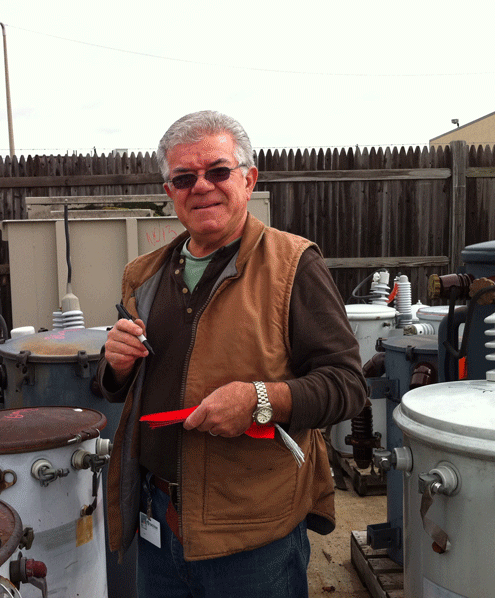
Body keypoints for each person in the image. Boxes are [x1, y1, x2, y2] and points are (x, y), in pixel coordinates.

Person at [97, 110, 368, 598]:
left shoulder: (293, 265)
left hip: (252, 537)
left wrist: (260, 400)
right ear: (169, 192)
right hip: (158, 519)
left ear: (248, 179)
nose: (201, 186)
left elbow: (347, 385)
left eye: (218, 171)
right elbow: (126, 387)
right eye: (184, 177)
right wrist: (115, 366)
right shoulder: (144, 274)